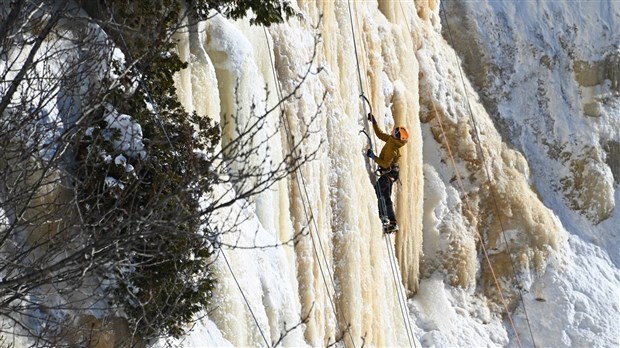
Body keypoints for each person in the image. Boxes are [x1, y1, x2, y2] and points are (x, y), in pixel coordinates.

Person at [366, 113, 409, 233]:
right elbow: (380, 135)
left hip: (389, 174)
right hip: (390, 174)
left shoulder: (394, 149)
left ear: (398, 137)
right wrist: (374, 122)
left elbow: (385, 164)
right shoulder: (392, 141)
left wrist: (373, 157)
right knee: (385, 195)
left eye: (396, 132)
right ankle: (392, 222)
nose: (393, 132)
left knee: (379, 190)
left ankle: (385, 217)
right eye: (395, 131)